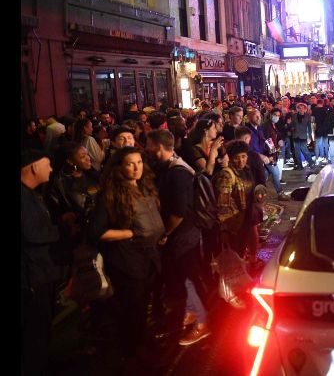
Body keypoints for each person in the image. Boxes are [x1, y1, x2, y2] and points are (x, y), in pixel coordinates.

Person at [90, 147, 164, 358]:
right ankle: (132, 352)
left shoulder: (145, 187)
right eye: (130, 164)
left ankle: (139, 344)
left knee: (142, 306)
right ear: (119, 168)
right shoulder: (110, 195)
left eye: (139, 162)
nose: (136, 168)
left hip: (149, 257)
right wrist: (129, 232)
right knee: (132, 308)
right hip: (126, 261)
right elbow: (97, 232)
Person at [145, 130, 210, 346]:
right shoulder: (169, 168)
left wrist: (166, 233)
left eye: (149, 145)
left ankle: (202, 323)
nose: (147, 149)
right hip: (182, 235)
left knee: (189, 277)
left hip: (185, 235)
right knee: (183, 278)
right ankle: (192, 313)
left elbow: (179, 212)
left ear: (160, 147)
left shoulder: (178, 173)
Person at [22, 150, 61, 375]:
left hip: (39, 272)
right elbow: (33, 233)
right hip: (31, 277)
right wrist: (62, 231)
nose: (51, 169)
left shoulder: (31, 193)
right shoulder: (23, 197)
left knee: (42, 327)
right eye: (48, 164)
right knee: (35, 331)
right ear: (34, 167)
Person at [213, 141, 261, 257]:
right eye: (236, 158)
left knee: (241, 253)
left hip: (245, 219)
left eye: (243, 156)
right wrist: (225, 230)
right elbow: (222, 205)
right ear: (230, 158)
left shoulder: (246, 170)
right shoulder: (227, 175)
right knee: (234, 256)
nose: (241, 161)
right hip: (234, 225)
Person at [290, 102, 315, 170]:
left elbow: (309, 127)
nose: (301, 109)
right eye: (299, 108)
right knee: (297, 152)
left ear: (305, 109)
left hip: (303, 135)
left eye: (302, 108)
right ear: (297, 109)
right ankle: (299, 165)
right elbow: (292, 125)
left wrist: (309, 137)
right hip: (296, 135)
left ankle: (311, 163)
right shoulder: (294, 116)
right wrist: (291, 128)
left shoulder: (307, 116)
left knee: (305, 150)